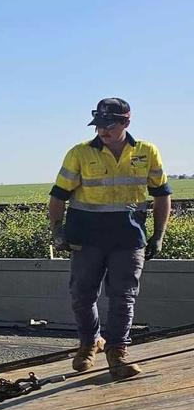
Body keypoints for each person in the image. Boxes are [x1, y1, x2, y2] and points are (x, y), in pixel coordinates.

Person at [49, 98, 170, 380]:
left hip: (128, 238)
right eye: (99, 125)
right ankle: (90, 343)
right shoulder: (79, 153)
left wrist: (159, 235)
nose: (102, 131)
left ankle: (117, 352)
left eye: (109, 125)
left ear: (126, 123)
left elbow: (162, 195)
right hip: (86, 238)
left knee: (123, 297)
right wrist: (57, 231)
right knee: (82, 295)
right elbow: (57, 197)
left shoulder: (147, 152)